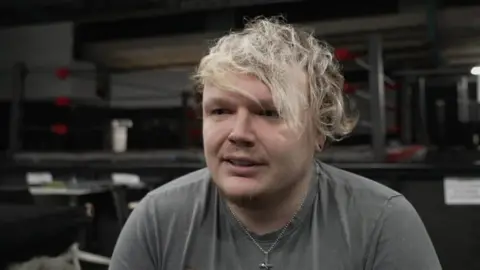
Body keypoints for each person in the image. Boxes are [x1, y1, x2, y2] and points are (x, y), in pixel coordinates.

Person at [109, 17, 441, 270]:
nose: (238, 132)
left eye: (269, 113)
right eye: (220, 110)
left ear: (319, 130)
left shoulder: (381, 223)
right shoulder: (157, 222)